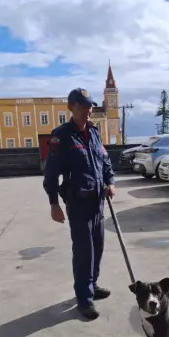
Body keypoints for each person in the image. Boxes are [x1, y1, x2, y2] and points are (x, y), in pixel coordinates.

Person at [42, 87, 116, 320]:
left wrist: (110, 181)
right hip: (78, 205)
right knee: (84, 252)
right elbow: (51, 173)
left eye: (90, 106)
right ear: (70, 108)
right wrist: (54, 203)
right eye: (82, 106)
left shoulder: (94, 133)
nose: (88, 110)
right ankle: (84, 299)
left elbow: (105, 161)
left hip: (98, 203)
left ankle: (91, 286)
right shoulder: (61, 136)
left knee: (98, 247)